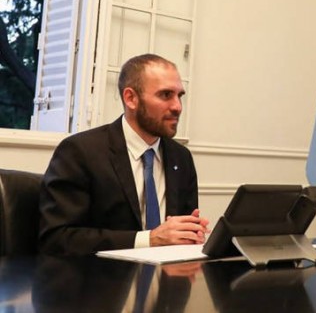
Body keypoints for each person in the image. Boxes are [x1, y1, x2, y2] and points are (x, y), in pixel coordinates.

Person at [39, 54, 210, 255]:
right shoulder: (80, 152)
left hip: (168, 280)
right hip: (100, 280)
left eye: (179, 96)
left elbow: (179, 234)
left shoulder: (181, 158)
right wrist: (149, 239)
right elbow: (57, 238)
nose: (177, 107)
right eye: (165, 95)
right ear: (131, 98)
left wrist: (190, 234)